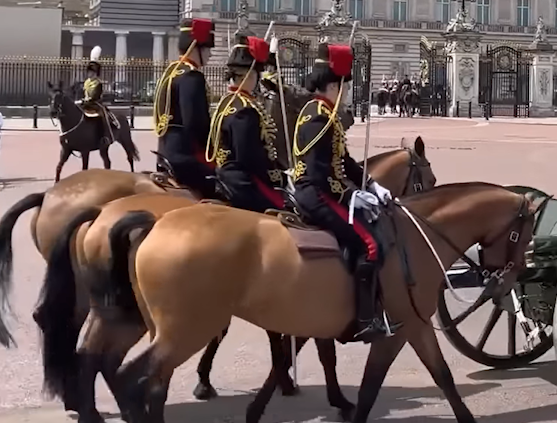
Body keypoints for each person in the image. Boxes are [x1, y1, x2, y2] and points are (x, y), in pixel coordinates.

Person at [292, 43, 399, 343]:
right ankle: (365, 319)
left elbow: (344, 163)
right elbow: (319, 175)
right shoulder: (320, 118)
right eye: (345, 86)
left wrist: (371, 185)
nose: (347, 92)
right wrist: (350, 197)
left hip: (322, 192)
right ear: (332, 85)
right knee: (371, 245)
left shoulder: (317, 110)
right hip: (318, 196)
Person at [208, 35, 288, 213]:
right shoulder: (245, 110)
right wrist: (276, 177)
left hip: (227, 174)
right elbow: (249, 158)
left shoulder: (227, 101)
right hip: (243, 182)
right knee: (289, 208)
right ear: (250, 75)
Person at [154, 19, 218, 198]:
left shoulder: (171, 72)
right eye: (207, 49)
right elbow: (196, 124)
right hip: (185, 156)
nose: (210, 54)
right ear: (195, 47)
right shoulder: (192, 77)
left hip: (165, 152)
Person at [80, 47, 118, 145]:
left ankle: (104, 136)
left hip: (96, 105)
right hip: (85, 104)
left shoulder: (98, 83)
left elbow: (94, 96)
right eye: (89, 72)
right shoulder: (86, 82)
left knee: (103, 118)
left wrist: (86, 100)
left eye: (92, 72)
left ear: (96, 73)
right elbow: (82, 93)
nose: (89, 73)